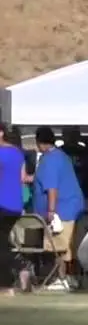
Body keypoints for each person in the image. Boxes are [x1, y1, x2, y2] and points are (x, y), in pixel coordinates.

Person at [32, 126, 85, 290]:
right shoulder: (60, 157)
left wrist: (51, 211)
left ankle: (61, 279)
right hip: (70, 206)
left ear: (39, 142)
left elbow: (52, 188)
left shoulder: (50, 160)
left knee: (58, 246)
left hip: (62, 209)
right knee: (65, 245)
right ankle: (67, 279)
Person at [0, 124, 26, 295]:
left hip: (1, 203)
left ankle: (18, 270)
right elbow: (22, 178)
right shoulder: (18, 153)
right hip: (15, 204)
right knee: (2, 242)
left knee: (2, 245)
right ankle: (8, 282)